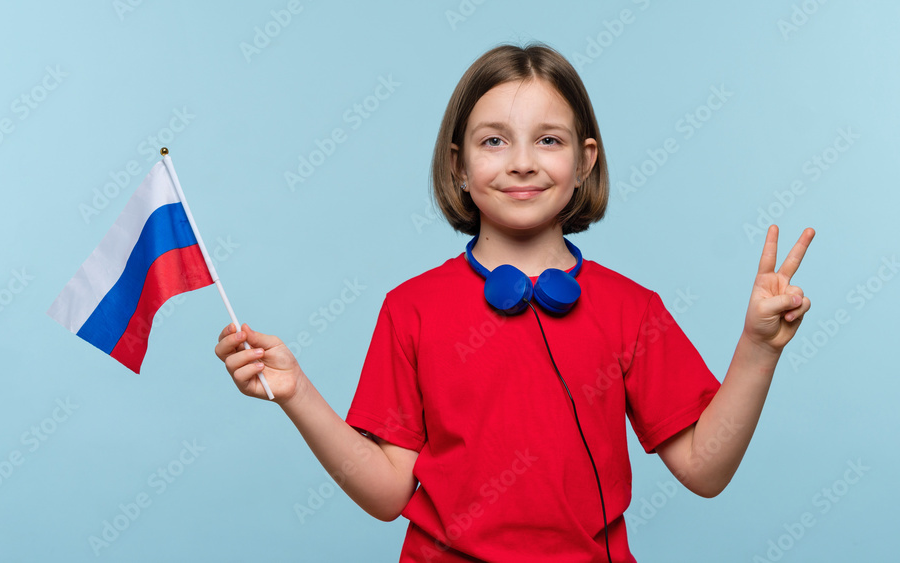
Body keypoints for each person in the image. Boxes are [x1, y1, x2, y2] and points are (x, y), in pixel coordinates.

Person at [215, 42, 814, 562]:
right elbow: (387, 494)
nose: (522, 161)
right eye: (494, 141)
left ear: (585, 162)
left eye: (547, 140)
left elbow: (705, 470)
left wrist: (758, 349)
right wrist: (297, 395)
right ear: (459, 167)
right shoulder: (412, 308)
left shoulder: (633, 308)